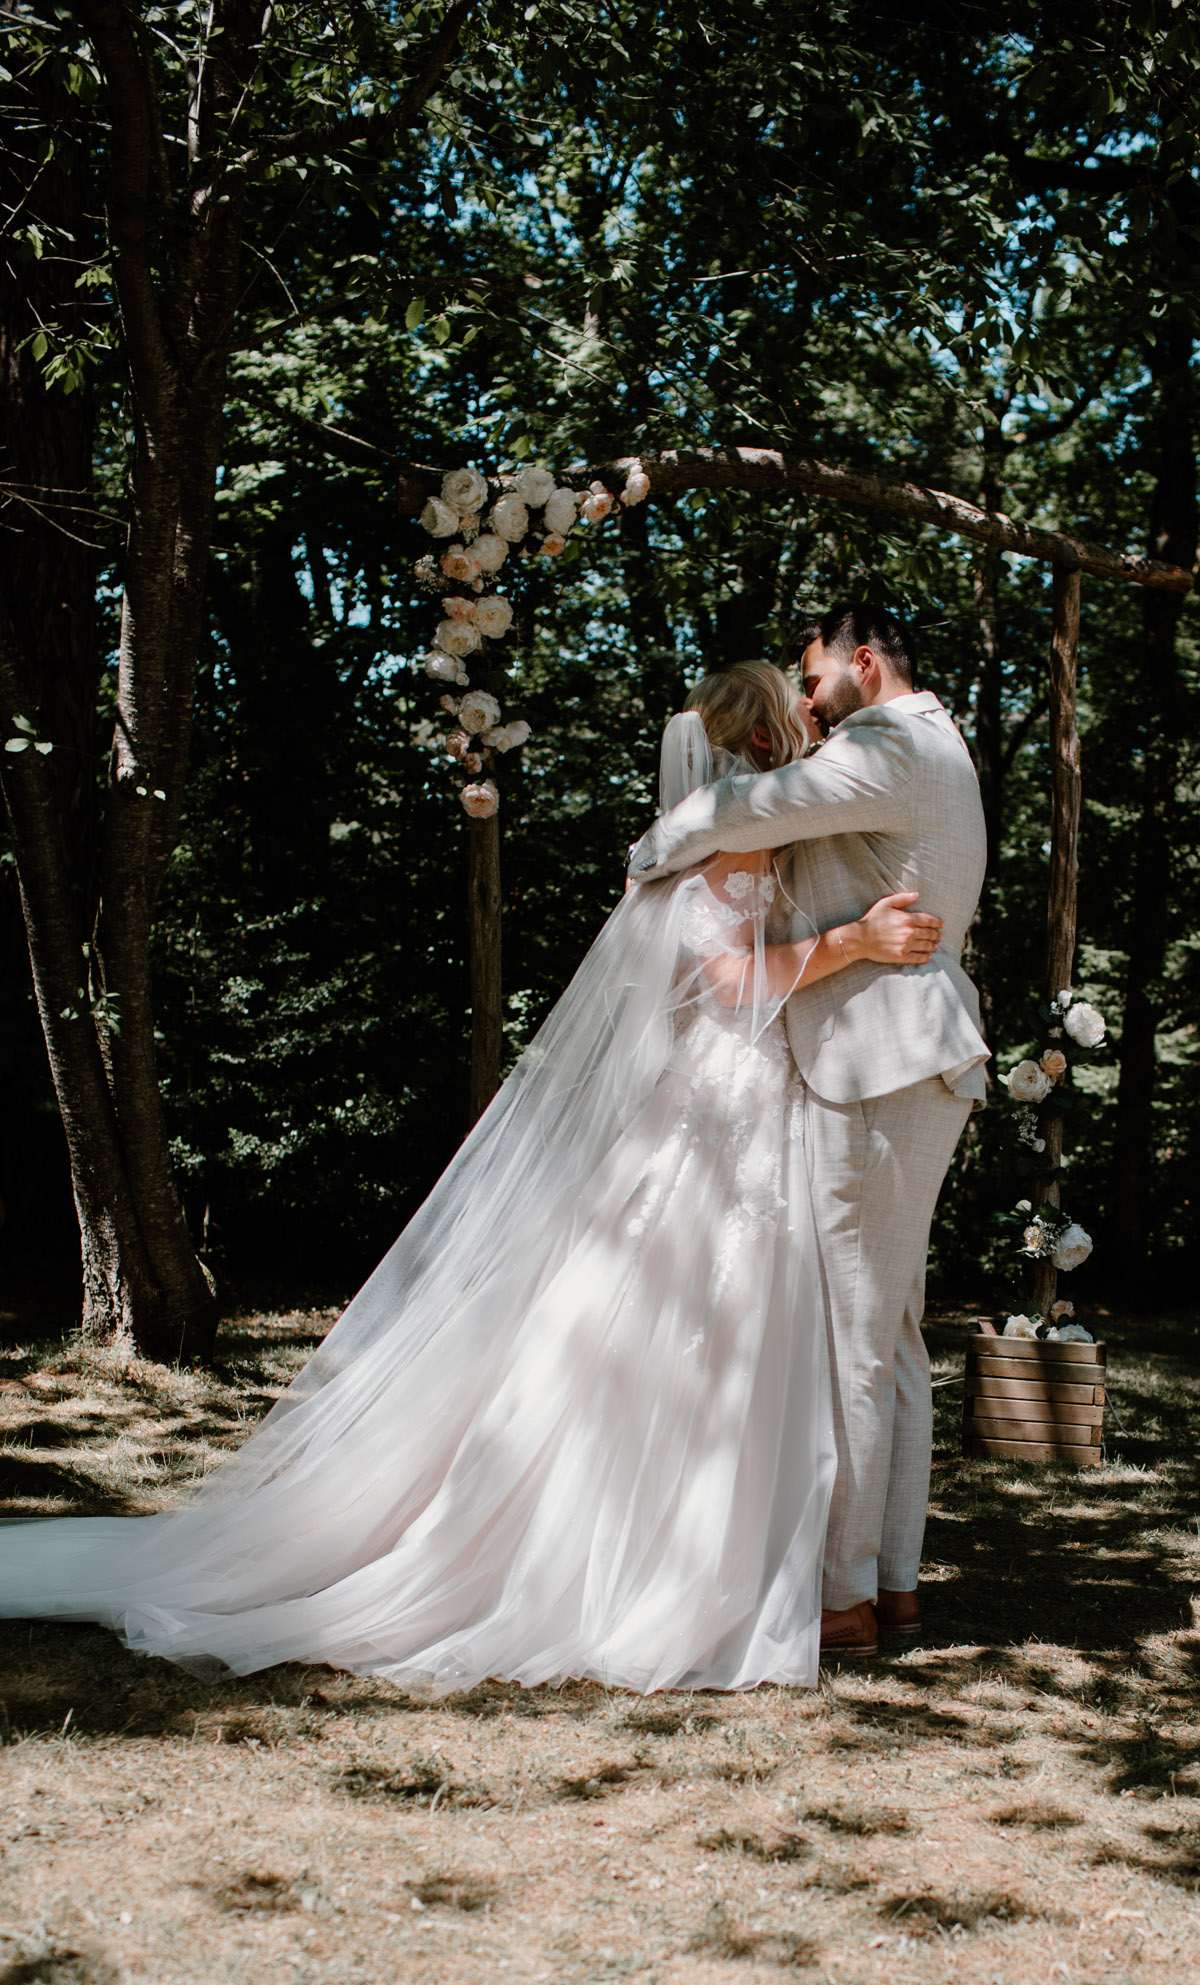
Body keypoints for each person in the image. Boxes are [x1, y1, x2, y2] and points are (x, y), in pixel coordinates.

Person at [0, 660, 942, 1695]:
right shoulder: (726, 847)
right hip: (725, 1111)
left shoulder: (720, 837)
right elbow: (724, 978)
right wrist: (852, 939)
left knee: (734, 1331)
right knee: (699, 1320)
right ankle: (662, 1560)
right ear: (763, 747)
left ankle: (757, 1552)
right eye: (794, 724)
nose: (809, 736)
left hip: (750, 1103)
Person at [628, 602, 990, 1659]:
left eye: (815, 670)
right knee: (893, 1339)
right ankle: (891, 1579)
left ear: (861, 661)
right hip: (906, 1055)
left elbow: (747, 809)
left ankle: (843, 1597)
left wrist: (656, 846)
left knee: (856, 1340)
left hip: (879, 1059)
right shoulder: (941, 741)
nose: (809, 692)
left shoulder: (887, 744)